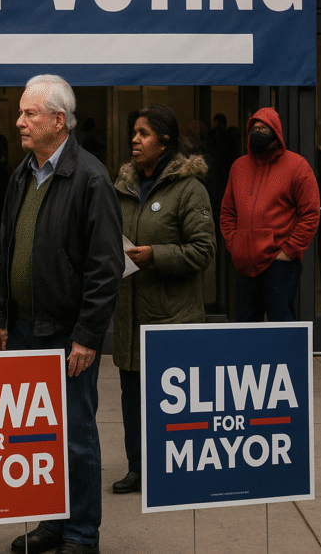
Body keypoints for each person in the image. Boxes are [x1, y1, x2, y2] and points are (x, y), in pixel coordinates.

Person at [0, 74, 123, 554]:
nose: (19, 120)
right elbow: (5, 252)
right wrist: (2, 317)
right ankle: (52, 523)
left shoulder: (90, 178)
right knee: (37, 437)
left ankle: (82, 533)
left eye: (29, 113)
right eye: (22, 112)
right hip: (25, 328)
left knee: (76, 437)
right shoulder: (22, 174)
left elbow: (105, 267)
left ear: (58, 121)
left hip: (67, 336)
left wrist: (87, 335)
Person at [111, 105, 215, 494]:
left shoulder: (190, 189)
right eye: (133, 133)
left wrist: (156, 254)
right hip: (129, 314)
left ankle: (175, 467)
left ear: (165, 141)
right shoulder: (120, 188)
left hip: (171, 318)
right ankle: (137, 467)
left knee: (170, 401)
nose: (134, 140)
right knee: (131, 395)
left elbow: (204, 251)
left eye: (144, 134)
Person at [219, 107, 320, 322]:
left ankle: (284, 358)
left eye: (264, 129)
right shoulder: (238, 167)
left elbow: (310, 214)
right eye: (254, 129)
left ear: (276, 133)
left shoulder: (297, 166)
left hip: (280, 264)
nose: (258, 133)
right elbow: (228, 212)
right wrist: (234, 243)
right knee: (245, 329)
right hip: (244, 263)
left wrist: (289, 251)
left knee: (281, 326)